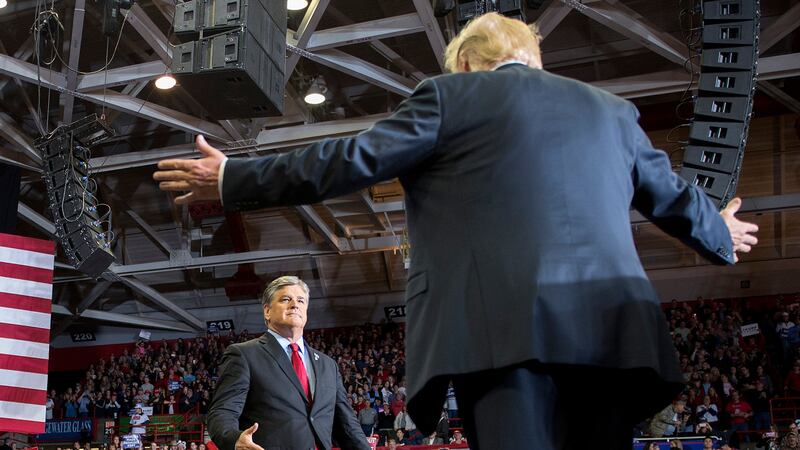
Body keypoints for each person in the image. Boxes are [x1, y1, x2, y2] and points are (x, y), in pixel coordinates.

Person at [154, 12, 759, 450]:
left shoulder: (452, 96)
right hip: (611, 338)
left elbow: (347, 160)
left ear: (467, 63)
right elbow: (676, 199)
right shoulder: (613, 112)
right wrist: (719, 231)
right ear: (535, 60)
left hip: (499, 332)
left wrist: (234, 176)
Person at [206, 276, 369, 450]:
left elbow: (347, 425)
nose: (294, 304)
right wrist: (234, 439)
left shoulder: (328, 365)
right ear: (267, 311)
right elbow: (222, 412)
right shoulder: (243, 354)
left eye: (301, 300)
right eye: (286, 299)